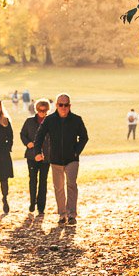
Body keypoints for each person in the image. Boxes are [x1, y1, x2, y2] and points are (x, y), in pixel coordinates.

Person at [33, 94, 89, 226]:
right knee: (58, 187)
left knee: (71, 185)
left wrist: (76, 151)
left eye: (66, 105)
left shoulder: (76, 120)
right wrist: (37, 152)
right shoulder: (49, 120)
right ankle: (62, 214)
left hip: (72, 159)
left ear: (70, 106)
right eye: (60, 105)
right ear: (56, 105)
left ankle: (72, 215)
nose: (63, 107)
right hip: (56, 159)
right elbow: (39, 136)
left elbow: (84, 137)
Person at [20, 99, 51, 215]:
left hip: (46, 156)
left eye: (44, 110)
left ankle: (41, 206)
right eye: (39, 110)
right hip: (32, 155)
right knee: (33, 179)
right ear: (36, 110)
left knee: (43, 181)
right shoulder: (29, 122)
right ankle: (32, 202)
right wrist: (27, 143)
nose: (42, 112)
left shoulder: (50, 122)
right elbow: (22, 134)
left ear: (47, 110)